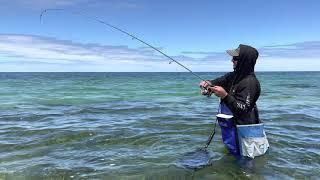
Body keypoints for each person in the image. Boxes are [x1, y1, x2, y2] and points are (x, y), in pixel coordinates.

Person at [200, 44, 269, 158]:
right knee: (232, 157)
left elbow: (244, 109)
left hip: (246, 132)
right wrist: (208, 85)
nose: (232, 60)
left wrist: (225, 96)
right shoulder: (233, 76)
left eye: (236, 58)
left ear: (244, 61)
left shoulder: (250, 82)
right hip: (231, 130)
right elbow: (217, 81)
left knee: (246, 164)